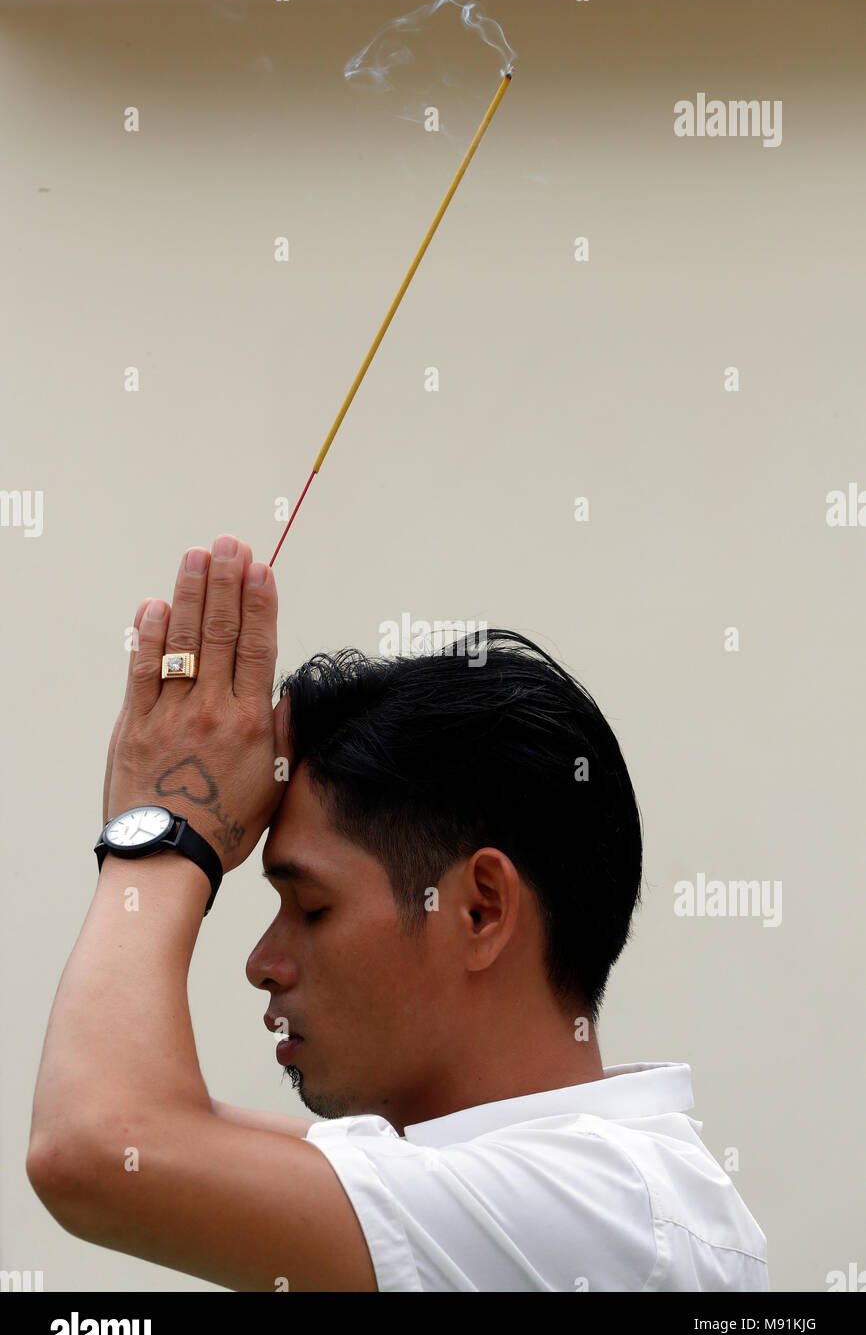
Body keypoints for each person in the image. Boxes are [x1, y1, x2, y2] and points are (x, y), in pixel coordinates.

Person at [27, 535, 768, 1292]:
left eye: (311, 908)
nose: (261, 963)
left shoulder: (596, 1203)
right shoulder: (574, 1182)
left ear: (479, 911)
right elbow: (155, 1132)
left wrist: (162, 831)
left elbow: (94, 1145)